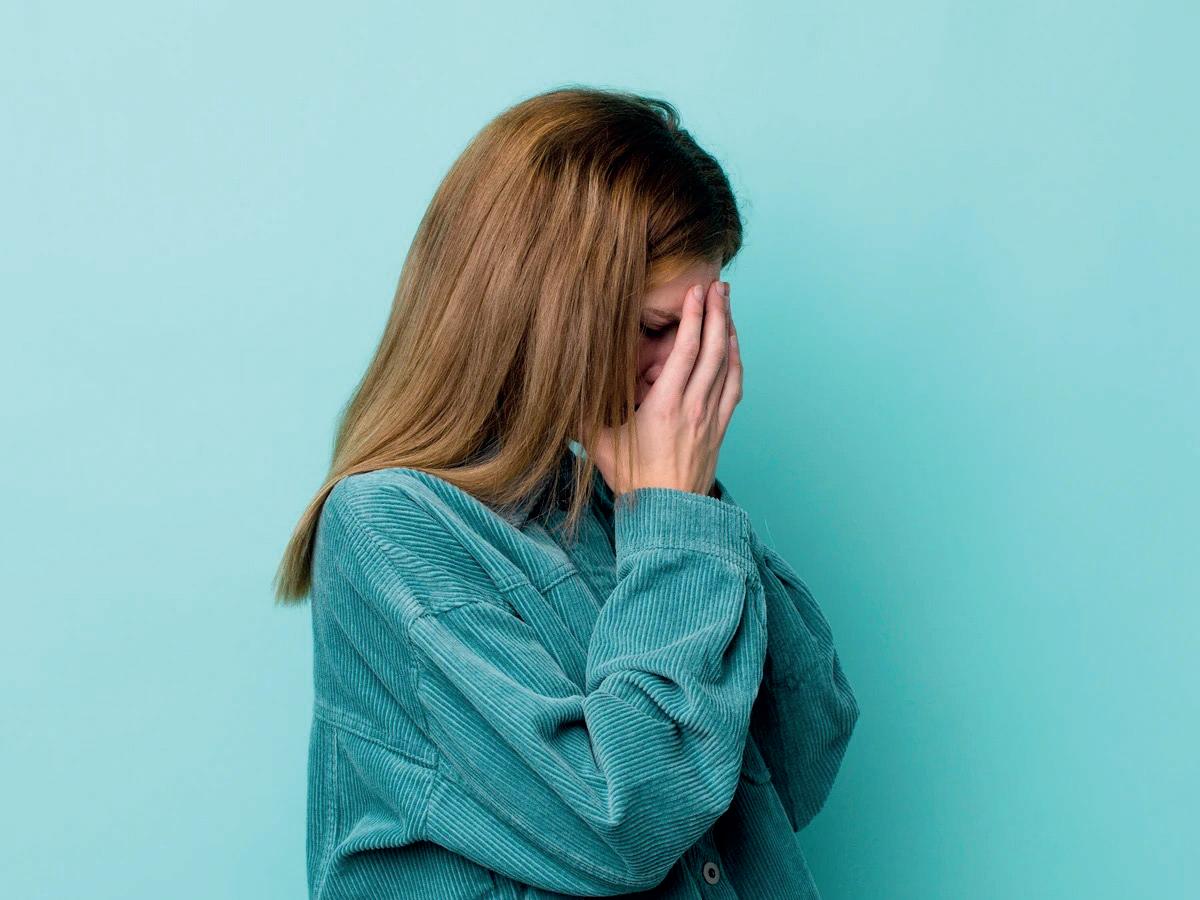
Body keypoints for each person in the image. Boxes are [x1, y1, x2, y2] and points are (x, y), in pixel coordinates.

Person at [275, 85, 860, 899]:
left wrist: (688, 509)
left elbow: (799, 759)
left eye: (704, 327)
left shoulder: (626, 502)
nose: (688, 366)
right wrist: (678, 522)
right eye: (659, 328)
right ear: (548, 311)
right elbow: (621, 822)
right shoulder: (387, 527)